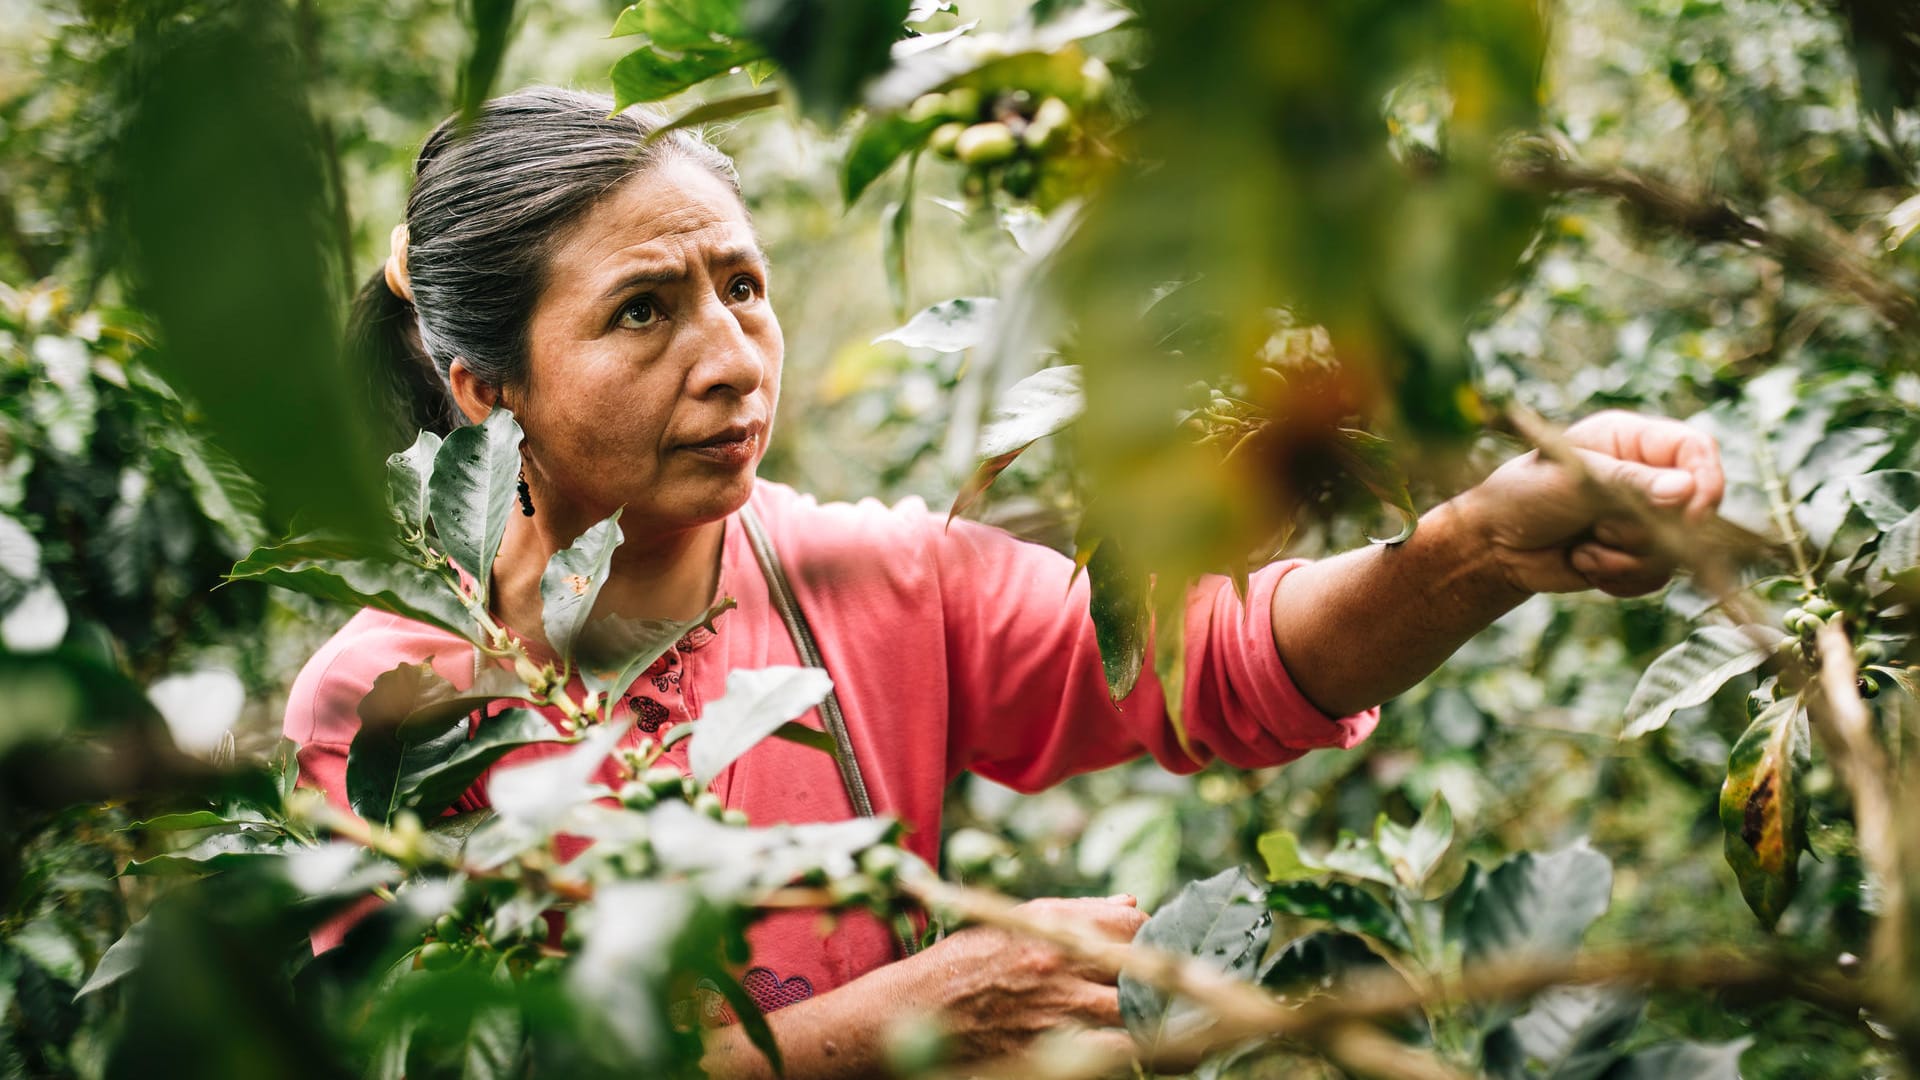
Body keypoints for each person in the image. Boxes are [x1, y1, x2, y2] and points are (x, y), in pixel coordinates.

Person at [285, 87, 1724, 1077]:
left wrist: (1481, 544)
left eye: (743, 286)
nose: (730, 357)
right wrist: (883, 1029)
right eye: (643, 312)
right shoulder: (388, 698)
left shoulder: (868, 580)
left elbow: (1216, 662)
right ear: (485, 389)